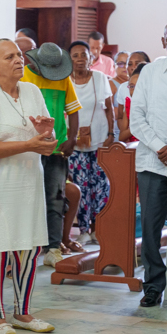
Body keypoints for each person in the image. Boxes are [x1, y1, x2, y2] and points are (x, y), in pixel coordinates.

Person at [0, 38, 58, 334]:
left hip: (27, 181)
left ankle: (23, 312)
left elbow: (46, 138)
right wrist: (28, 144)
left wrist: (45, 136)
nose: (19, 60)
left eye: (19, 55)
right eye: (9, 57)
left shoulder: (32, 91)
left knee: (28, 246)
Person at [131, 21, 167, 308]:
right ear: (163, 41)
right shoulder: (150, 72)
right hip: (152, 162)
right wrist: (163, 150)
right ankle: (153, 286)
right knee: (150, 228)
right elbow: (136, 117)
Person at [20, 43, 81, 268]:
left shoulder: (63, 78)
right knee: (27, 198)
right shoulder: (23, 78)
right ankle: (26, 248)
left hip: (56, 149)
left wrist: (72, 139)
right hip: (28, 148)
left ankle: (53, 248)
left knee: (55, 197)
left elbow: (73, 111)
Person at [68, 41, 113, 246]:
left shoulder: (100, 78)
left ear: (91, 58)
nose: (79, 59)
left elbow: (109, 108)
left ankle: (98, 229)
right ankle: (84, 230)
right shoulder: (65, 81)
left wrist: (112, 133)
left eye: (83, 55)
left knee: (101, 185)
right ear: (69, 59)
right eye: (75, 55)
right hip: (74, 143)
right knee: (81, 186)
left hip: (99, 140)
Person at [114, 51, 149, 139]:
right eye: (129, 64)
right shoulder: (129, 106)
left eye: (137, 64)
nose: (133, 67)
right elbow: (121, 118)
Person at [118, 63, 145, 143]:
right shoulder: (129, 107)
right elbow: (121, 137)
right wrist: (138, 125)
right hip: (133, 149)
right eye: (132, 86)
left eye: (139, 86)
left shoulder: (155, 107)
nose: (135, 90)